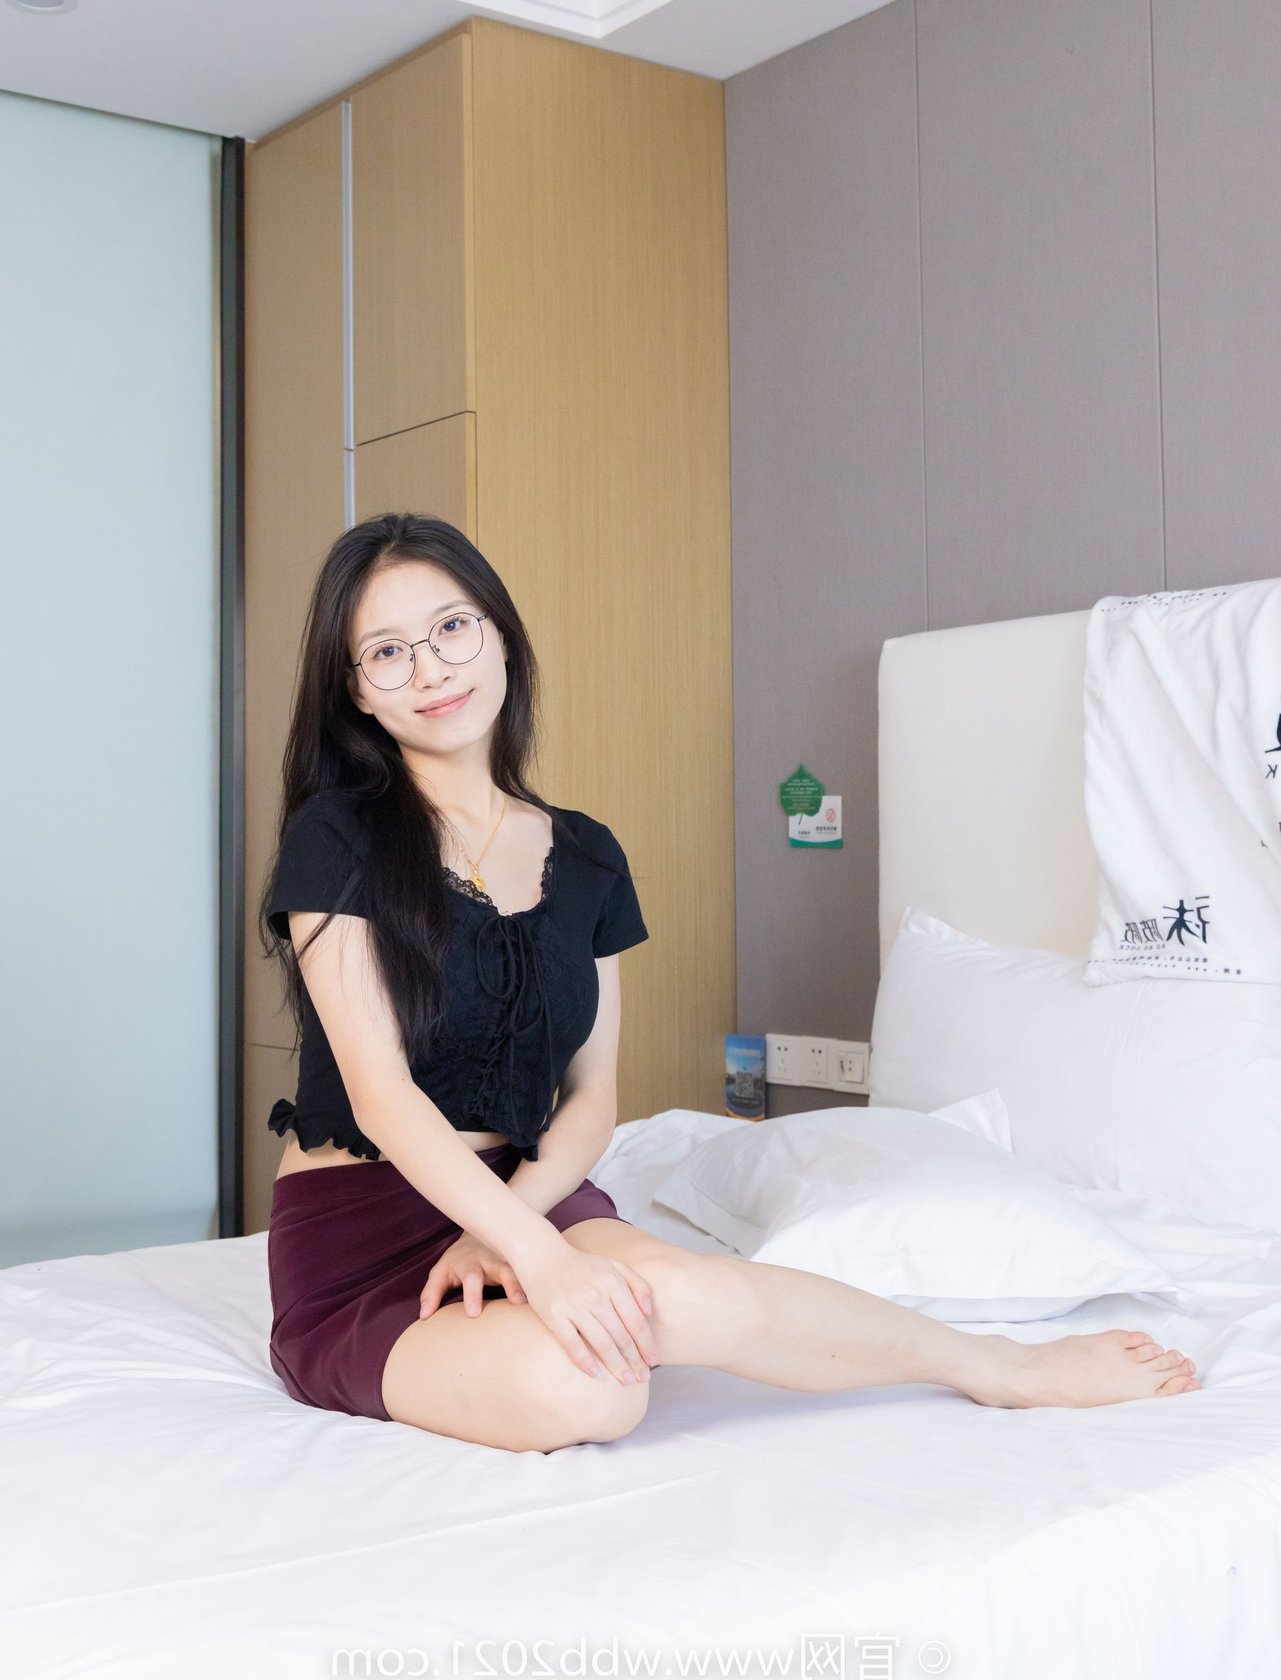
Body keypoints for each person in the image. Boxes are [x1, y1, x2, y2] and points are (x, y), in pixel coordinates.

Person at [261, 512, 1201, 1452]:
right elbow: (380, 1095)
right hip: (363, 1233)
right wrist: (537, 1260)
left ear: (500, 634)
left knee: (680, 1293)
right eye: (387, 652)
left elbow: (590, 1097)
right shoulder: (336, 837)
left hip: (528, 1190)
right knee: (590, 1395)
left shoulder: (587, 855)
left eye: (451, 628)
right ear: (356, 693)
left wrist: (514, 1229)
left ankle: (998, 1366)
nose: (430, 669)